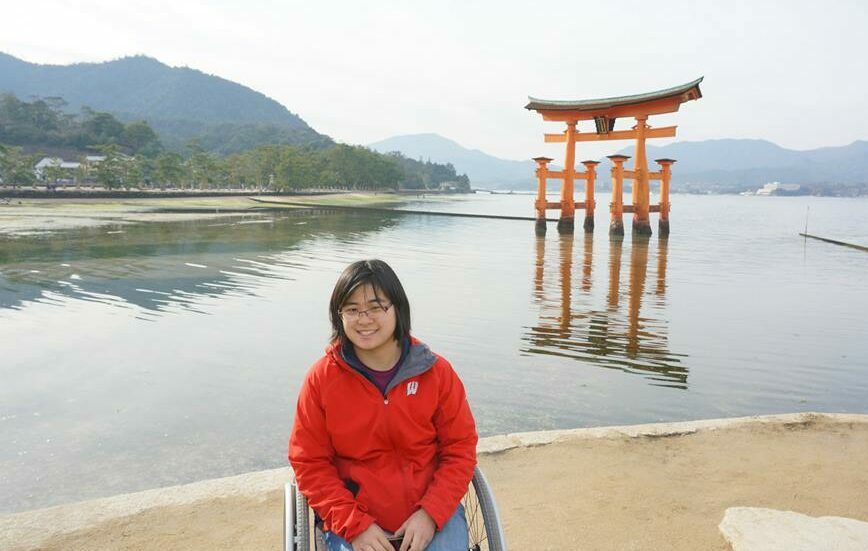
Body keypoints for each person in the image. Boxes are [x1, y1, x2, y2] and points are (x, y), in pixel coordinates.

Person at [289, 259, 478, 551]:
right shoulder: (322, 379)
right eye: (352, 310)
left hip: (430, 510)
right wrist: (354, 526)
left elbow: (460, 449)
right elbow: (310, 462)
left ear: (398, 309)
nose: (363, 319)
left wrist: (430, 513)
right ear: (338, 316)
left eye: (376, 307)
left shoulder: (436, 373)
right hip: (354, 517)